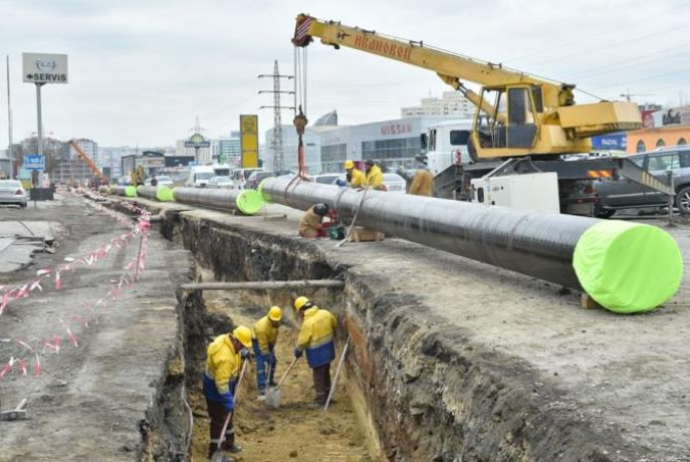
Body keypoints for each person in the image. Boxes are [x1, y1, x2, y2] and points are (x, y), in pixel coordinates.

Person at [203, 325, 252, 458]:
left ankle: (228, 444)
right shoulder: (224, 357)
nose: (242, 348)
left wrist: (241, 354)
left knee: (228, 416)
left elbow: (234, 353)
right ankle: (215, 452)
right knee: (219, 421)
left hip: (225, 390)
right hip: (216, 392)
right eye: (241, 346)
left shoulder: (228, 341)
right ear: (236, 341)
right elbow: (221, 384)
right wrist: (227, 400)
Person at [293, 296, 337, 407]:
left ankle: (320, 399)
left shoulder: (308, 322)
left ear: (302, 310)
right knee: (326, 372)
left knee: (318, 376)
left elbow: (303, 339)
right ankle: (327, 395)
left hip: (317, 354)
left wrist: (298, 349)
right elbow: (334, 324)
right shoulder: (325, 313)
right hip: (328, 349)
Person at [252, 306, 282, 400]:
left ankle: (269, 380)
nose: (276, 322)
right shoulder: (262, 327)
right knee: (261, 362)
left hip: (268, 340)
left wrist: (272, 347)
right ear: (269, 317)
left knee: (273, 361)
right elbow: (263, 346)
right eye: (274, 320)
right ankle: (262, 387)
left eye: (277, 320)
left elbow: (274, 335)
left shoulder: (276, 323)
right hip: (258, 341)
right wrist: (266, 355)